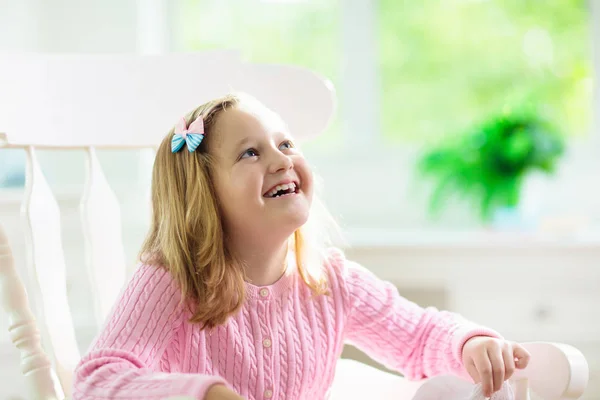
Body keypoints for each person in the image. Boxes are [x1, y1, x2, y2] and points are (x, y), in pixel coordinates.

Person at [72, 93, 530, 400]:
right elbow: (96, 382)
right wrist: (203, 393)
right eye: (250, 153)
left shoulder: (330, 279)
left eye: (286, 143)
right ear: (203, 195)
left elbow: (418, 338)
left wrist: (469, 343)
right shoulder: (172, 278)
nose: (281, 160)